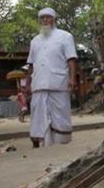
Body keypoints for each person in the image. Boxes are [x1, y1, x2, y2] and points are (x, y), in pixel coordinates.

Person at [25, 8, 78, 148]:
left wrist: (72, 79)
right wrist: (28, 84)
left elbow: (71, 59)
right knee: (38, 114)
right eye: (42, 18)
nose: (45, 20)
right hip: (38, 84)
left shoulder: (65, 36)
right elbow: (30, 64)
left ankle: (61, 142)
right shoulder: (34, 41)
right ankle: (41, 142)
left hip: (58, 82)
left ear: (54, 19)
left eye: (48, 17)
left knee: (60, 113)